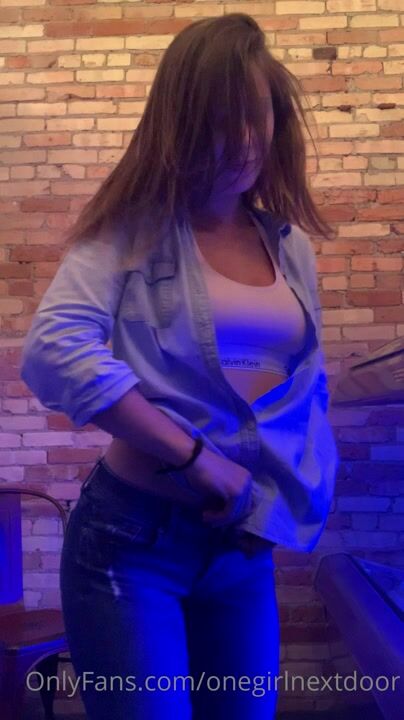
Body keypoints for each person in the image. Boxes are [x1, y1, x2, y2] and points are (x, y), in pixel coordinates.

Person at [20, 13, 339, 720]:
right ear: (182, 121)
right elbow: (54, 351)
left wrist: (290, 501)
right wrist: (196, 459)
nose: (245, 139)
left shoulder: (289, 247)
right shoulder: (130, 231)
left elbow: (304, 391)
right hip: (133, 542)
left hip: (241, 548)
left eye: (257, 114)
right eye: (222, 117)